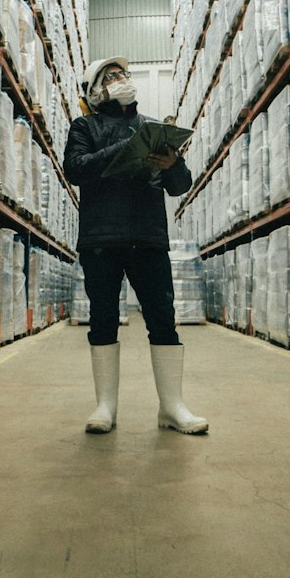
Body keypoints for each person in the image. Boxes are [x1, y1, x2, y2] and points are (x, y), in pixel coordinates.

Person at [63, 56, 209, 435]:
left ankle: (172, 407)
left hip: (148, 238)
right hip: (102, 239)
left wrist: (171, 163)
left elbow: (180, 186)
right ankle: (105, 407)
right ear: (95, 89)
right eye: (111, 75)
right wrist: (125, 148)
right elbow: (75, 168)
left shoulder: (151, 127)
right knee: (104, 318)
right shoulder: (84, 126)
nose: (121, 79)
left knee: (162, 319)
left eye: (123, 74)